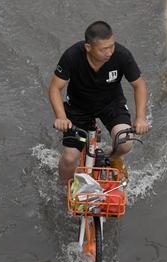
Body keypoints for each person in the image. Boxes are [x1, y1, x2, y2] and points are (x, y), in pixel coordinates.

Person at [48, 21, 149, 181]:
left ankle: (109, 157)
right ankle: (66, 189)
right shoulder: (72, 56)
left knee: (125, 143)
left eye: (112, 46)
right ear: (88, 47)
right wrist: (61, 117)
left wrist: (141, 117)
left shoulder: (122, 55)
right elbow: (54, 88)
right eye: (104, 49)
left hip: (111, 104)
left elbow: (139, 85)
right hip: (78, 108)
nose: (110, 52)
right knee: (69, 158)